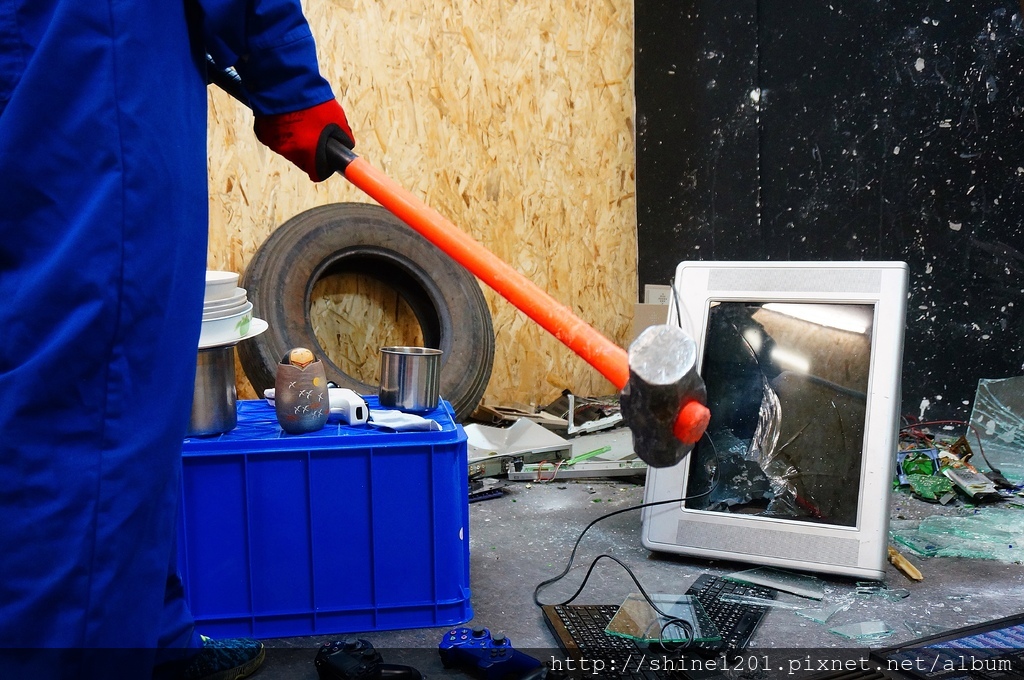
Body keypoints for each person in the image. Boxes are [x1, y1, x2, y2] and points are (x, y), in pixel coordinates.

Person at [0, 1, 354, 678]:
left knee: (68, 385)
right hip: (99, 51)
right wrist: (288, 81)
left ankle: (154, 637)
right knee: (96, 406)